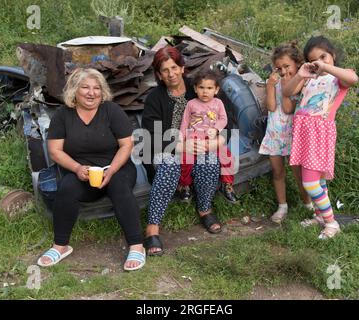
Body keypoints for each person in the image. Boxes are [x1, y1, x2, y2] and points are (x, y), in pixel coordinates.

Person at [37, 68, 145, 271]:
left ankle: (137, 246)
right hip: (82, 172)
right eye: (85, 87)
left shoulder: (111, 110)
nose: (91, 93)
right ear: (74, 91)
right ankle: (60, 246)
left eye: (96, 88)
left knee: (118, 185)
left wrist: (111, 170)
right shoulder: (63, 115)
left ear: (102, 91)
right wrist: (77, 168)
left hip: (116, 167)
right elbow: (55, 151)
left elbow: (127, 145)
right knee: (67, 188)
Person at [142, 47, 222, 256]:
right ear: (159, 75)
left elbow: (225, 123)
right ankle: (152, 226)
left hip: (199, 145)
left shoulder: (199, 88)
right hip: (167, 149)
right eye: (164, 70)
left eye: (174, 67)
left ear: (182, 68)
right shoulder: (155, 98)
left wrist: (216, 142)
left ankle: (205, 208)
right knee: (169, 165)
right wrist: (181, 147)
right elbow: (151, 137)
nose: (171, 74)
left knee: (210, 160)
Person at [283, 36, 358, 239]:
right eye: (314, 59)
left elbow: (353, 79)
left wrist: (326, 66)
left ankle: (332, 223)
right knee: (319, 180)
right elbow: (287, 91)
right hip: (303, 133)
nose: (319, 62)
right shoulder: (309, 78)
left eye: (323, 56)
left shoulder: (339, 77)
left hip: (319, 133)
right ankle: (319, 215)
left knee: (310, 184)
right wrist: (300, 74)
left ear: (332, 55)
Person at [259, 41, 313, 224]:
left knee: (298, 172)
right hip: (275, 132)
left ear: (297, 63)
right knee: (277, 171)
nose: (283, 71)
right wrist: (270, 86)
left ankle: (308, 204)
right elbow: (272, 107)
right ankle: (282, 206)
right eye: (278, 68)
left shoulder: (302, 81)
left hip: (293, 133)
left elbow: (289, 108)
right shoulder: (274, 81)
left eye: (287, 66)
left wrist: (284, 88)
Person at [177, 70, 234, 203]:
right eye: (201, 87)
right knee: (185, 159)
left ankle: (227, 184)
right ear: (195, 88)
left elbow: (223, 119)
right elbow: (185, 122)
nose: (205, 91)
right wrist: (182, 139)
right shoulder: (191, 104)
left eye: (209, 88)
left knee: (227, 156)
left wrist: (216, 129)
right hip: (194, 139)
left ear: (216, 89)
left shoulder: (218, 103)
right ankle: (185, 185)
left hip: (212, 138)